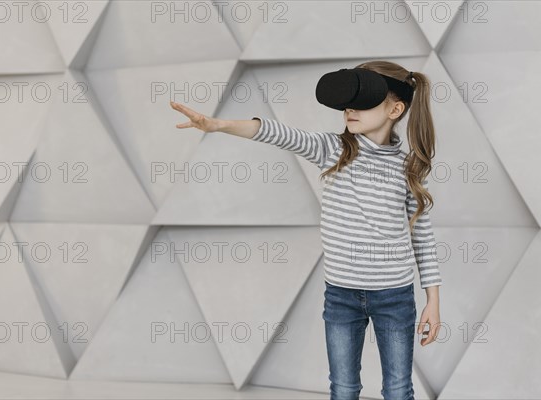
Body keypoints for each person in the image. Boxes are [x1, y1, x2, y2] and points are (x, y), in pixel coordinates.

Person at [170, 60, 442, 400]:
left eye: (363, 101)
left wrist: (433, 300)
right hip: (341, 294)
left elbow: (422, 236)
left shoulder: (408, 166)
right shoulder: (334, 150)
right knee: (343, 388)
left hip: (394, 295)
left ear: (395, 109)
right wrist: (218, 124)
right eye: (347, 103)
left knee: (398, 388)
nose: (349, 110)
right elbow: (277, 132)